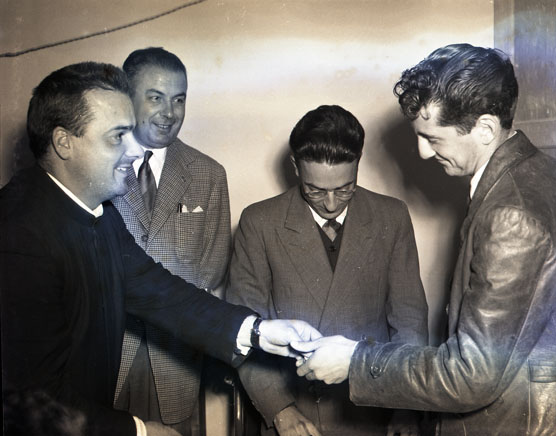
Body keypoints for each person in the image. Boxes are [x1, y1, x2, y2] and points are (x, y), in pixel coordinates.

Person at [294, 44, 556, 434]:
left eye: (433, 139)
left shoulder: (511, 214)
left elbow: (470, 374)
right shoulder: (540, 173)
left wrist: (356, 361)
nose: (423, 153)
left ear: (486, 129)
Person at [0, 61, 320, 436]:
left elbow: (161, 292)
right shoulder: (18, 237)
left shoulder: (98, 213)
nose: (135, 151)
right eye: (118, 137)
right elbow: (35, 401)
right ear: (63, 143)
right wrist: (140, 431)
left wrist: (257, 331)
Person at [226, 105, 429, 436]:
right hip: (294, 413)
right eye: (316, 190)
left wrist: (405, 406)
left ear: (358, 163)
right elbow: (245, 327)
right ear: (295, 167)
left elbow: (409, 322)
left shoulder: (391, 217)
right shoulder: (259, 222)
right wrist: (280, 410)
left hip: (372, 410)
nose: (332, 204)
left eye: (345, 188)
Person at [110, 47, 231, 436]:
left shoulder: (208, 174)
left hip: (176, 360)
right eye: (155, 97)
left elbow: (212, 268)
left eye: (179, 99)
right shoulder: (100, 166)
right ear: (126, 96)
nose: (169, 112)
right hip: (107, 352)